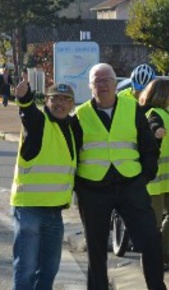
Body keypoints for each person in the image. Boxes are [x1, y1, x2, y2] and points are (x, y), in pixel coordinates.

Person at [72, 63, 166, 290]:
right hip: (93, 189)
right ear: (90, 86)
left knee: (151, 241)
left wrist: (145, 176)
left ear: (116, 83)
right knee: (96, 249)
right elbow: (71, 154)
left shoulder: (132, 108)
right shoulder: (79, 115)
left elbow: (148, 146)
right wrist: (78, 188)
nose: (102, 85)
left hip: (130, 185)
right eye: (97, 81)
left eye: (106, 80)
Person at [10, 75, 76, 290]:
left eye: (65, 99)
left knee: (48, 271)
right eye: (55, 98)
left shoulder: (71, 128)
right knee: (26, 270)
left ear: (72, 104)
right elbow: (28, 112)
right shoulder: (39, 122)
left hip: (55, 212)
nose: (60, 103)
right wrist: (24, 97)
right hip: (29, 209)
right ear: (46, 101)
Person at [138, 79, 169, 271]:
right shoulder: (154, 113)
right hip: (155, 181)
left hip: (166, 181)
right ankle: (152, 259)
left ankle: (162, 253)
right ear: (163, 94)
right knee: (155, 222)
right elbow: (152, 124)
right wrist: (156, 131)